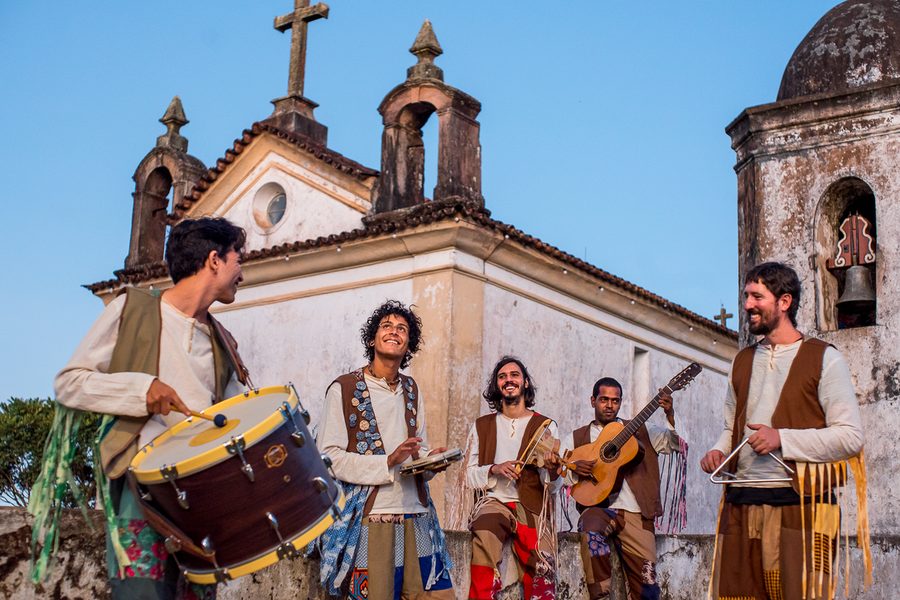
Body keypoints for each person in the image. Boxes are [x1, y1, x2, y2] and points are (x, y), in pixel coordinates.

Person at [47, 217, 251, 599]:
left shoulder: (224, 341)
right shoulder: (131, 308)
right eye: (239, 260)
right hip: (141, 487)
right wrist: (142, 391)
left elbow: (237, 419)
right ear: (213, 260)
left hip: (201, 495)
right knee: (140, 594)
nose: (243, 272)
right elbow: (69, 383)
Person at [700, 262, 865, 600]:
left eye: (757, 296)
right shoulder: (741, 361)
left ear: (785, 301)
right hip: (741, 503)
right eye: (746, 295)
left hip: (802, 505)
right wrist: (719, 450)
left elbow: (850, 436)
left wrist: (782, 439)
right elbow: (731, 426)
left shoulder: (824, 359)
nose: (747, 305)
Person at [316, 300, 453, 600]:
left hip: (418, 516)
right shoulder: (344, 388)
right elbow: (328, 458)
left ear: (408, 345)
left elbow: (418, 451)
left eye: (402, 329)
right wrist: (387, 461)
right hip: (372, 518)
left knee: (437, 596)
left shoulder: (412, 389)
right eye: (387, 326)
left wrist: (431, 462)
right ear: (371, 339)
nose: (394, 332)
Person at [559, 377, 678, 600]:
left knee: (648, 586)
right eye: (604, 399)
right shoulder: (576, 438)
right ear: (593, 401)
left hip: (637, 513)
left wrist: (670, 415)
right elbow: (559, 470)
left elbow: (672, 444)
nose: (609, 405)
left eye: (615, 400)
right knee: (590, 529)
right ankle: (601, 595)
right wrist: (575, 468)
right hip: (599, 508)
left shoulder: (642, 429)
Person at [465, 356, 561, 599]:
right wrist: (494, 468)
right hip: (493, 502)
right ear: (497, 386)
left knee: (542, 568)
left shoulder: (545, 426)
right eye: (502, 376)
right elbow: (467, 476)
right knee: (484, 533)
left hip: (532, 507)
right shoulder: (481, 426)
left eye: (514, 375)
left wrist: (552, 469)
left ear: (525, 383)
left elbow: (555, 486)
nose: (509, 380)